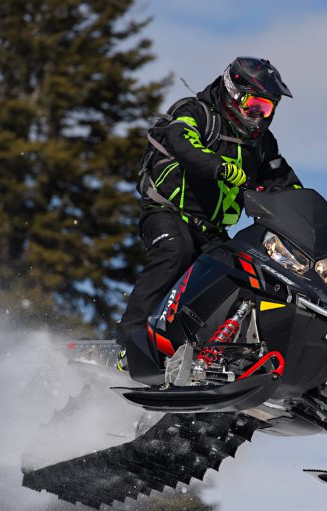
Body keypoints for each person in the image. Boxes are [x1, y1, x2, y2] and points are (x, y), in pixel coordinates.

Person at [116, 57, 302, 368]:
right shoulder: (196, 112)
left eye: (266, 108)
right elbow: (181, 140)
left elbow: (283, 180)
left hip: (213, 231)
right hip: (168, 212)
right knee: (175, 252)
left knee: (244, 274)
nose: (258, 115)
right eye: (253, 103)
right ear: (232, 93)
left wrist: (302, 210)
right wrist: (220, 167)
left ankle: (220, 356)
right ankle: (128, 344)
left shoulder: (261, 144)